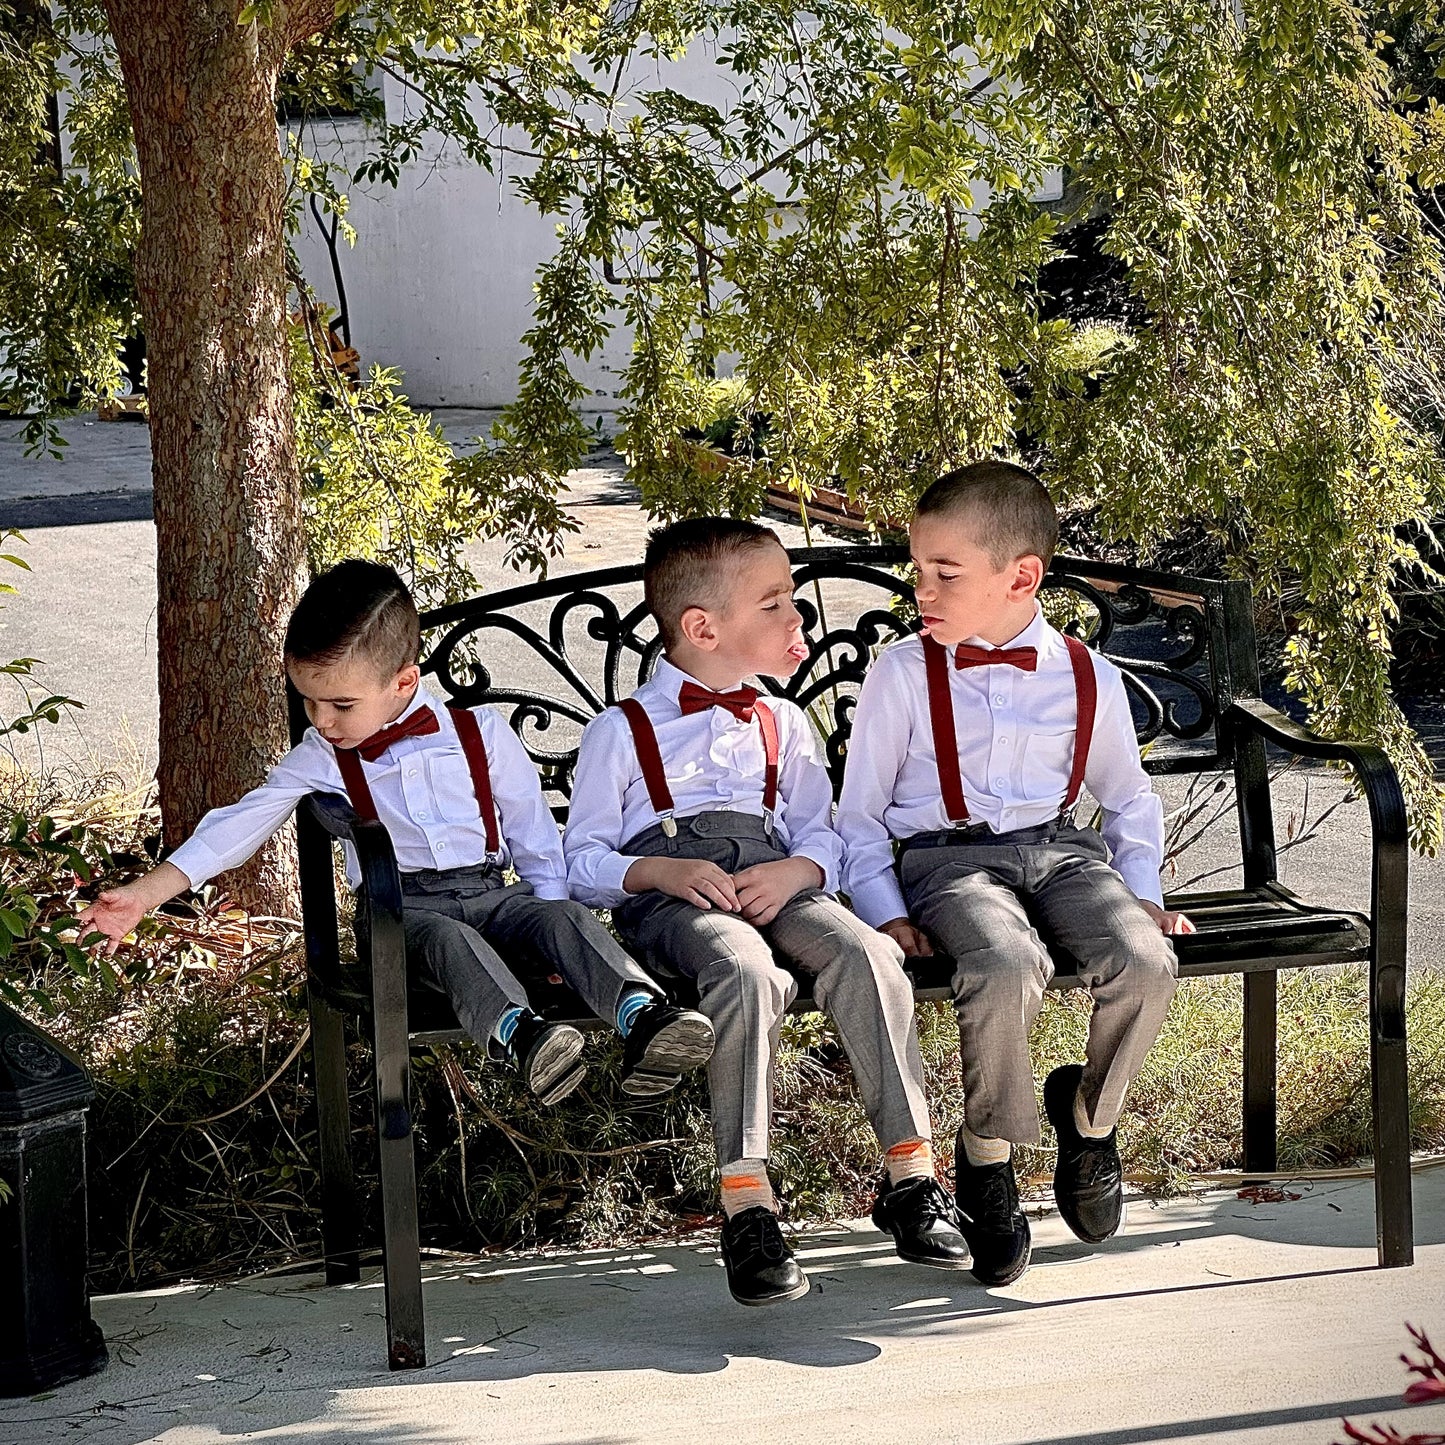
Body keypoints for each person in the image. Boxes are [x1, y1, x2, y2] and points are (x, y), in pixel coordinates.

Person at [78, 559, 715, 1106]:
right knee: (449, 937)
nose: (322, 721)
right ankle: (524, 1039)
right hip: (402, 913)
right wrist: (144, 895)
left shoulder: (479, 732)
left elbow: (534, 838)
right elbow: (238, 824)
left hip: (495, 893)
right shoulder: (324, 754)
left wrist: (549, 922)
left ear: (404, 682)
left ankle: (645, 1018)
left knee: (563, 918)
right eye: (309, 702)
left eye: (340, 705)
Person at [564, 518, 969, 1307]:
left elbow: (825, 830)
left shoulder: (783, 719)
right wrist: (661, 869)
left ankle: (910, 1176)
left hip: (779, 883)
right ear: (703, 628)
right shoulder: (622, 731)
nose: (798, 620)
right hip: (675, 903)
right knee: (747, 970)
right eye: (776, 603)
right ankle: (748, 1205)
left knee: (868, 954)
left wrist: (795, 870)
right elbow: (579, 863)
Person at [837, 460, 1191, 1286]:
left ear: (1020, 576)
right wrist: (886, 910)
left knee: (1144, 960)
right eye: (916, 568)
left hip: (1065, 855)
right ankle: (986, 1158)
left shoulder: (1082, 673)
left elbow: (1128, 799)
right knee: (1003, 962)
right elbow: (856, 818)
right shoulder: (901, 673)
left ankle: (1089, 1119)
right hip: (947, 866)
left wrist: (1143, 895)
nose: (920, 588)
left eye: (943, 572)